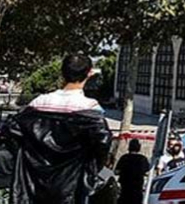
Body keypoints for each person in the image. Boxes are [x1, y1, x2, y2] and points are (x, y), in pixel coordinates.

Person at [9, 53, 113, 204]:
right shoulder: (90, 108)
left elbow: (12, 133)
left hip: (33, 184)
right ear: (89, 73)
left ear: (62, 72)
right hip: (71, 187)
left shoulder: (38, 102)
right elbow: (102, 144)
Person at [115, 138, 150, 204]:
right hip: (137, 189)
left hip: (125, 189)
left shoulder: (124, 158)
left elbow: (117, 171)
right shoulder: (142, 159)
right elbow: (147, 172)